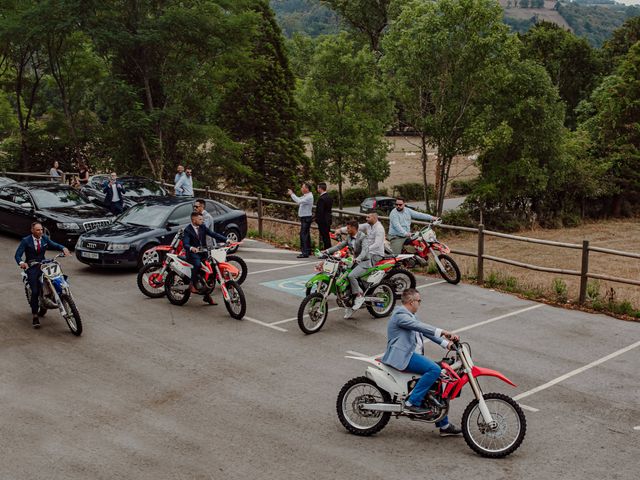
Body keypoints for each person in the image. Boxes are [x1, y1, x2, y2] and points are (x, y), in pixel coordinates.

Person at [381, 288, 462, 436]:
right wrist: (444, 331)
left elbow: (425, 332)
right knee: (434, 370)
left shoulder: (411, 316)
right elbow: (420, 327)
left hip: (412, 356)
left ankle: (443, 425)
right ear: (411, 302)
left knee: (440, 377)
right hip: (404, 357)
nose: (420, 303)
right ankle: (412, 403)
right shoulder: (400, 315)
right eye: (419, 301)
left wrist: (447, 344)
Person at [15, 222, 71, 329]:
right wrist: (22, 263)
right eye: (37, 230)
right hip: (32, 267)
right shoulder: (26, 241)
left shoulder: (44, 238)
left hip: (44, 264)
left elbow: (54, 244)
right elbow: (17, 255)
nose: (40, 232)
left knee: (58, 277)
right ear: (32, 230)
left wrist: (63, 248)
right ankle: (35, 316)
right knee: (35, 291)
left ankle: (58, 294)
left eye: (41, 230)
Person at [321, 219, 367, 319]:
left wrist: (357, 259)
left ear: (354, 228)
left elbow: (364, 251)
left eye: (348, 228)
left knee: (351, 275)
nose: (346, 230)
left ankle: (359, 296)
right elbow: (339, 246)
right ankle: (349, 303)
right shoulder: (349, 237)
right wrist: (326, 251)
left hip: (364, 262)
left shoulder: (363, 237)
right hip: (354, 261)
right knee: (342, 276)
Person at [183, 212, 227, 304]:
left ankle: (206, 294)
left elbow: (213, 234)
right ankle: (192, 283)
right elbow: (185, 244)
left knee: (210, 272)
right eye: (200, 219)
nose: (202, 221)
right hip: (192, 254)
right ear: (194, 220)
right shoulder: (187, 230)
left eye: (202, 219)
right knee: (198, 265)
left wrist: (226, 240)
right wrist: (192, 248)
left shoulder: (202, 227)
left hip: (203, 253)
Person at [287, 182, 313, 258]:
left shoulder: (309, 197)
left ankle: (304, 252)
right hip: (305, 217)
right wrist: (293, 195)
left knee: (303, 235)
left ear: (307, 189)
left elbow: (298, 201)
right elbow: (299, 199)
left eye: (302, 187)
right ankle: (308, 250)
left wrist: (292, 194)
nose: (301, 188)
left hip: (306, 217)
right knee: (306, 234)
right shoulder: (306, 196)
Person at [315, 182, 333, 250]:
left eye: (318, 188)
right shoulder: (329, 197)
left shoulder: (321, 198)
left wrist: (317, 219)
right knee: (327, 236)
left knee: (325, 237)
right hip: (328, 219)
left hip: (323, 220)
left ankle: (327, 251)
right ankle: (328, 250)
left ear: (320, 189)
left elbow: (320, 211)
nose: (317, 189)